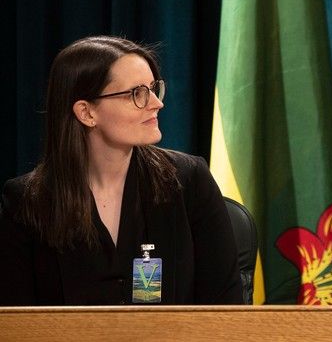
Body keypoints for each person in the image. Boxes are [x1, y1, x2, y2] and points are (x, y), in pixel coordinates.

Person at [0, 36, 242, 305]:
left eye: (153, 88)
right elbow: (16, 322)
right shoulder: (26, 200)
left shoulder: (189, 181)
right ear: (86, 112)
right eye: (137, 93)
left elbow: (225, 310)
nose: (156, 103)